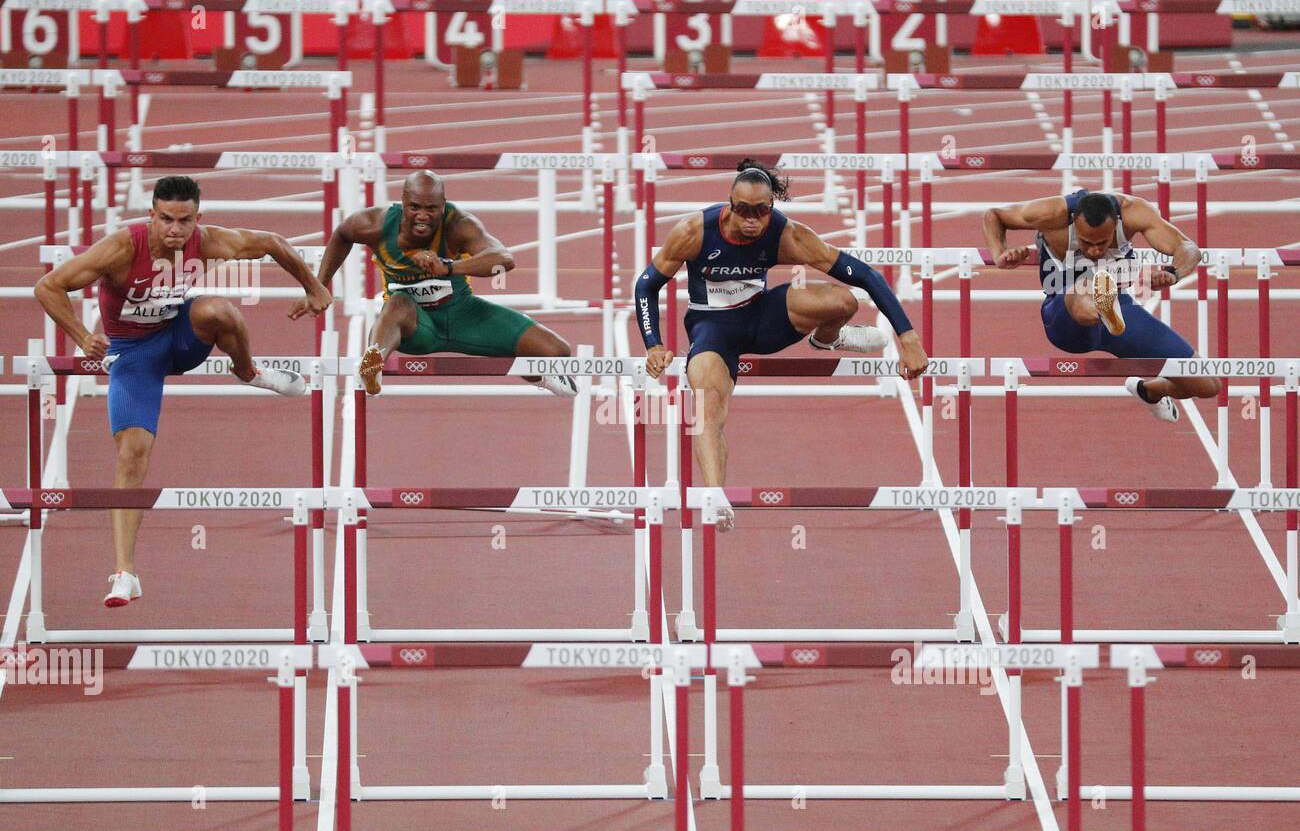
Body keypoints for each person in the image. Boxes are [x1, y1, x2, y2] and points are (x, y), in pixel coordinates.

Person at [34, 175, 332, 607]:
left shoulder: (206, 241)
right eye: (167, 219)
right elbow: (48, 286)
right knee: (132, 453)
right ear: (152, 216)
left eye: (185, 221)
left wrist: (315, 287)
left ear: (197, 218)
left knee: (220, 310)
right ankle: (125, 573)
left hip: (179, 337)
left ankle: (248, 372)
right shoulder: (120, 248)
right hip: (134, 355)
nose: (175, 229)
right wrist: (81, 336)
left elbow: (271, 242)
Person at [638, 159, 929, 530]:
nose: (751, 220)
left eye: (761, 211)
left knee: (844, 302)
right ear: (729, 205)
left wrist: (909, 337)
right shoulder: (695, 231)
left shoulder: (786, 234)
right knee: (706, 405)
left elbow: (866, 274)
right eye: (743, 210)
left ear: (771, 207)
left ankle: (828, 339)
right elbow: (647, 285)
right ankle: (715, 498)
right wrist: (654, 344)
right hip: (712, 328)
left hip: (763, 318)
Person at [318, 170, 577, 397]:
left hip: (463, 314)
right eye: (415, 207)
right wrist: (319, 285)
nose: (422, 216)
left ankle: (540, 378)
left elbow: (503, 259)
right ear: (403, 202)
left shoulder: (459, 224)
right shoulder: (375, 224)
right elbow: (342, 235)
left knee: (557, 352)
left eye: (431, 209)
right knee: (398, 303)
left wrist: (449, 266)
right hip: (415, 326)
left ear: (443, 205)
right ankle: (373, 362)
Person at [983, 189, 1220, 421]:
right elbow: (994, 215)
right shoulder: (1051, 213)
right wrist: (1000, 253)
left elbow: (1188, 248)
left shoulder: (1132, 212)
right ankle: (1101, 308)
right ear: (1075, 222)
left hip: (1120, 308)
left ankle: (1150, 391)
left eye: (1103, 242)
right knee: (1080, 289)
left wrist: (1173, 273)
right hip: (1064, 316)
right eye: (1086, 242)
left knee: (1206, 384)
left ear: (1116, 223)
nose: (1095, 250)